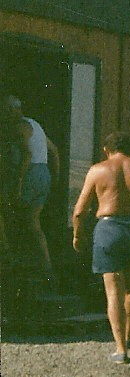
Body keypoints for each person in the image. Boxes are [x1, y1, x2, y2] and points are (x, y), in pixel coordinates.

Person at [72, 132, 130, 363]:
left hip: (109, 227)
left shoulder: (97, 170)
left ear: (106, 150)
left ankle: (121, 349)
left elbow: (79, 210)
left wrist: (77, 235)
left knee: (113, 291)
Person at [2, 96, 60, 291]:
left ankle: (8, 257)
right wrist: (55, 176)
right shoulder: (36, 125)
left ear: (11, 110)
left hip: (29, 173)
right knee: (33, 222)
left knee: (5, 211)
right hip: (43, 173)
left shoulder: (18, 127)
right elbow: (54, 150)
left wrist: (18, 183)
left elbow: (26, 155)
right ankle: (46, 266)